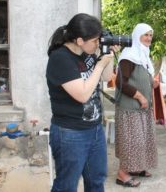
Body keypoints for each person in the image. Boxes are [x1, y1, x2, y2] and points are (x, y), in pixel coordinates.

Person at [46, 13, 118, 192]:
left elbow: (107, 77)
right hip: (70, 133)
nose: (97, 44)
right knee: (67, 185)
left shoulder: (88, 53)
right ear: (79, 40)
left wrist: (107, 54)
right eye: (95, 41)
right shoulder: (60, 58)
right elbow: (83, 95)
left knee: (96, 181)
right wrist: (99, 65)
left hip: (94, 129)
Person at [114, 23, 158, 187]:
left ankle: (136, 167)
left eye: (150, 35)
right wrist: (139, 96)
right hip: (130, 108)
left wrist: (151, 82)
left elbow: (140, 76)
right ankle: (122, 174)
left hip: (141, 109)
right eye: (145, 35)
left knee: (141, 139)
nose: (149, 38)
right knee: (131, 141)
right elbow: (120, 83)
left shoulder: (143, 55)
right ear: (137, 35)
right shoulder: (129, 55)